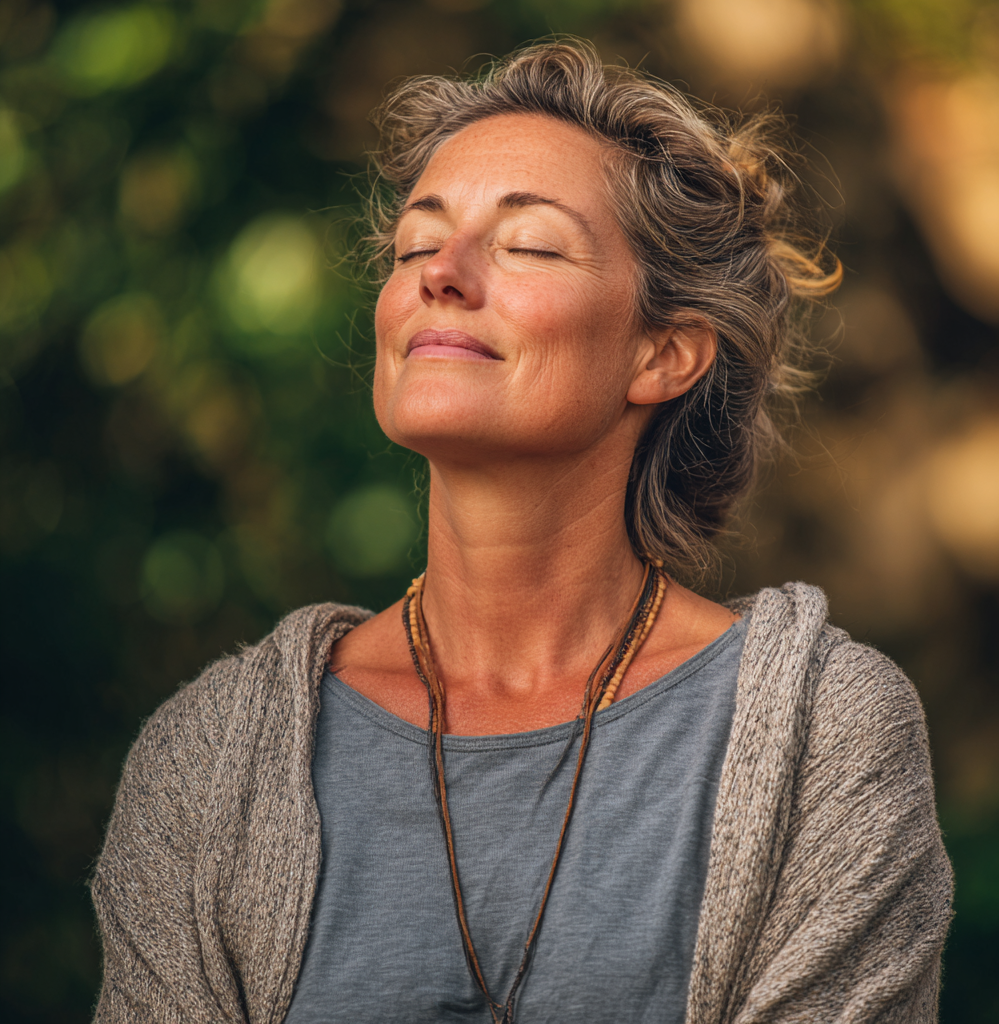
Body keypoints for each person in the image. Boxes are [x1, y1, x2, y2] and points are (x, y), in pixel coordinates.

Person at [90, 41, 952, 1024]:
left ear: (663, 351)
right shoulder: (206, 765)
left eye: (529, 245)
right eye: (417, 245)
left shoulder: (822, 740)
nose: (440, 277)